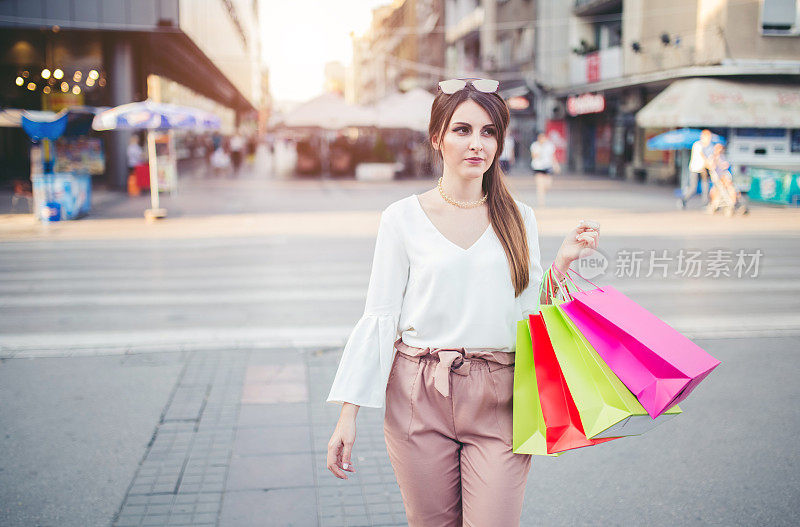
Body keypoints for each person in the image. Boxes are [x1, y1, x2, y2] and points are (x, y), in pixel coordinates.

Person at [325, 78, 600, 527]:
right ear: (438, 138)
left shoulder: (519, 216)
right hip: (418, 391)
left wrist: (563, 262)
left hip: (500, 394)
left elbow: (531, 311)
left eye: (489, 131)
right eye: (462, 130)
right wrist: (347, 415)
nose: (477, 144)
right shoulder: (402, 218)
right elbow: (380, 316)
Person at [682, 129, 715, 208]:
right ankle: (684, 200)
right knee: (693, 187)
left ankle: (705, 203)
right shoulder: (697, 145)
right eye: (707, 137)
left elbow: (711, 156)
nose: (709, 139)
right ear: (703, 137)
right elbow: (702, 155)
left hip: (704, 169)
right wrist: (708, 163)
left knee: (705, 186)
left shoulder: (710, 146)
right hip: (695, 169)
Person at [530, 132, 559, 207]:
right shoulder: (535, 146)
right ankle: (541, 202)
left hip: (547, 166)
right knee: (540, 186)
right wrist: (540, 150)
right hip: (538, 167)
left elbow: (553, 156)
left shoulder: (550, 146)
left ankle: (543, 193)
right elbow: (533, 156)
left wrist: (556, 165)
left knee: (548, 184)